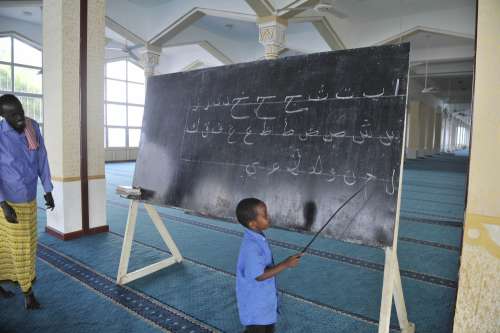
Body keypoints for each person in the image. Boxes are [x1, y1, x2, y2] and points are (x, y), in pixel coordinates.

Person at [0, 94, 55, 309]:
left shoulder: (32, 127)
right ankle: (27, 293)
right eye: (13, 115)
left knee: (28, 244)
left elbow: (41, 157)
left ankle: (15, 280)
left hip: (30, 198)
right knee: (18, 246)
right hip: (10, 203)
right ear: (3, 116)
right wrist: (3, 204)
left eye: (20, 112)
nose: (20, 118)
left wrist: (48, 189)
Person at [235, 198, 303, 333]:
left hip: (264, 301)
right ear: (253, 224)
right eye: (265, 216)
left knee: (268, 327)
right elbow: (259, 275)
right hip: (255, 305)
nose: (269, 218)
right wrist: (286, 264)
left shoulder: (258, 236)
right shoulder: (252, 247)